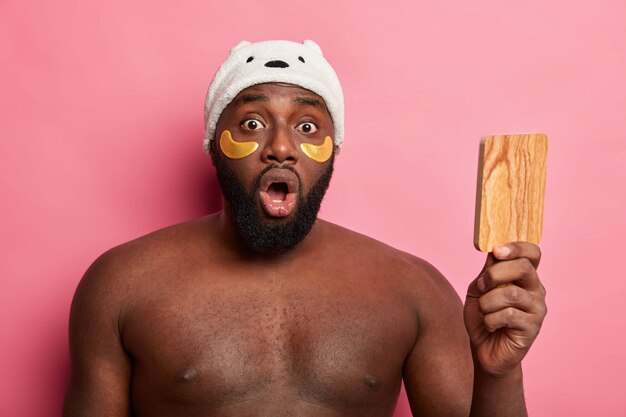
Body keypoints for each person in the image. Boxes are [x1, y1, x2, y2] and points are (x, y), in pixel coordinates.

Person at [63, 40, 547, 417]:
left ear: (334, 148)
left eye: (308, 127)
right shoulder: (121, 284)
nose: (280, 147)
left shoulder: (414, 289)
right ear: (214, 142)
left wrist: (500, 373)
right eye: (252, 123)